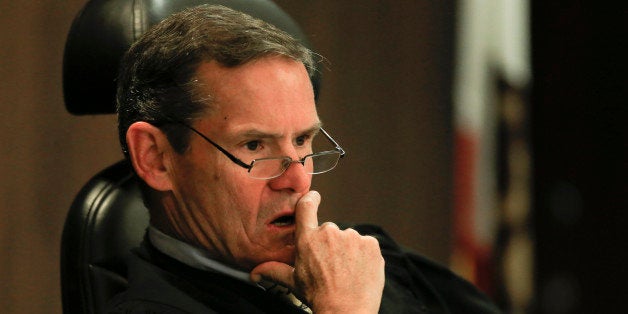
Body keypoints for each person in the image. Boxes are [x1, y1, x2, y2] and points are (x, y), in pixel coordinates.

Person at [107, 4, 501, 313]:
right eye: (255, 146)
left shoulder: (361, 260)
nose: (297, 180)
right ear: (156, 158)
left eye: (302, 140)